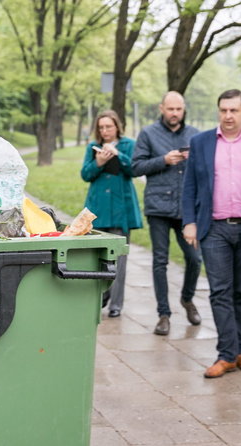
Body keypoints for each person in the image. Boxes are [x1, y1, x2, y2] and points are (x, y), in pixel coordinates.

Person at [182, 89, 241, 378]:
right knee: (220, 292)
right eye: (223, 110)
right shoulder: (201, 142)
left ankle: (240, 351)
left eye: (234, 111)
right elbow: (190, 187)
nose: (227, 116)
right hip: (214, 229)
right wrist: (190, 221)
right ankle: (227, 354)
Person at [132, 92, 202, 336]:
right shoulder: (148, 134)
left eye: (178, 109)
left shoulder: (195, 135)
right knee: (159, 261)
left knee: (194, 259)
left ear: (184, 109)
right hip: (158, 208)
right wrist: (163, 160)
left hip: (187, 209)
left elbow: (207, 169)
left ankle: (187, 299)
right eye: (170, 109)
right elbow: (135, 167)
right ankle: (164, 314)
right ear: (162, 108)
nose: (174, 113)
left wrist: (196, 161)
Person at [81, 110, 142, 318]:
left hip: (121, 207)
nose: (105, 131)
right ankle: (102, 295)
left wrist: (118, 155)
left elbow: (134, 170)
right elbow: (85, 174)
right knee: (97, 257)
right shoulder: (92, 147)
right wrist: (98, 162)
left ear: (117, 126)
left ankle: (116, 303)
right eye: (101, 127)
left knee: (120, 259)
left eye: (109, 126)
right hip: (98, 207)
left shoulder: (128, 145)